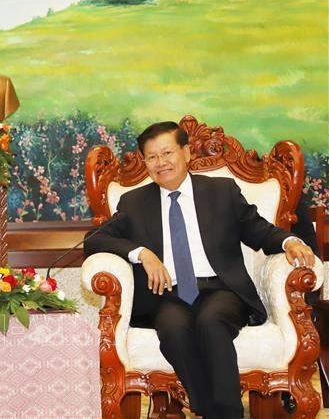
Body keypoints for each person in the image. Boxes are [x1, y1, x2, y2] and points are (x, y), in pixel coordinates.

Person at [83, 121, 315, 419]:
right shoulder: (134, 202)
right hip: (166, 295)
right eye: (151, 157)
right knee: (173, 328)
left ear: (187, 152)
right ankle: (215, 412)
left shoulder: (221, 191)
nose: (160, 163)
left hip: (220, 289)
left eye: (167, 152)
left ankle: (224, 413)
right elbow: (94, 240)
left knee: (211, 321)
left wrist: (289, 242)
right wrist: (142, 254)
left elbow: (258, 231)